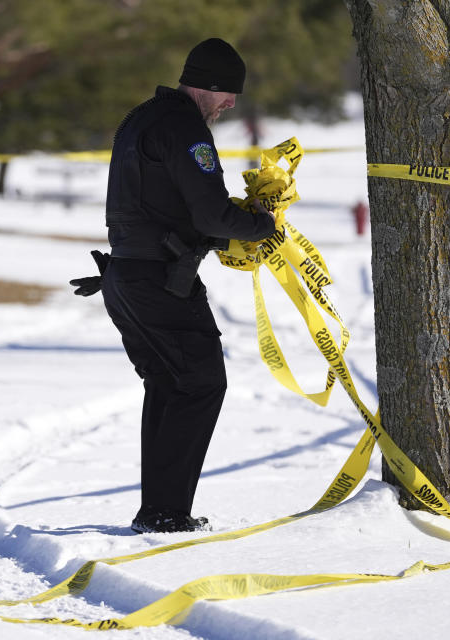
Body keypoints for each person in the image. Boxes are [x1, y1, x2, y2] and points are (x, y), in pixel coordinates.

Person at [70, 38, 276, 534]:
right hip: (160, 280)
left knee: (169, 386)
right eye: (228, 95)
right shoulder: (185, 128)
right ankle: (164, 512)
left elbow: (161, 203)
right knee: (201, 385)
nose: (230, 104)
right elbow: (208, 211)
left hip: (126, 276)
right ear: (207, 86)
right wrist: (263, 226)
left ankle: (160, 511)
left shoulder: (143, 117)